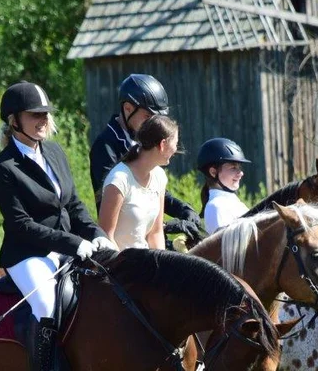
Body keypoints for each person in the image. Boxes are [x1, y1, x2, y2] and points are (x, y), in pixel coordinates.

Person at [0, 81, 113, 371]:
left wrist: (98, 234)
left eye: (45, 114)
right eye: (35, 115)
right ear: (14, 120)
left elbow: (74, 205)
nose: (43, 120)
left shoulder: (55, 153)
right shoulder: (3, 167)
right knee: (46, 302)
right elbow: (21, 224)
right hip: (27, 254)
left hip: (66, 248)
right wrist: (74, 243)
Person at [89, 74, 203, 243]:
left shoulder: (140, 142)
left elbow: (153, 189)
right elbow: (122, 203)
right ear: (128, 109)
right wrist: (165, 226)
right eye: (148, 117)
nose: (154, 124)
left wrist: (183, 210)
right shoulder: (105, 146)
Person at [97, 115, 177, 250]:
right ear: (163, 145)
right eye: (175, 143)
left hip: (145, 262)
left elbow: (156, 233)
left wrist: (161, 267)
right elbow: (106, 236)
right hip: (118, 265)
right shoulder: (119, 180)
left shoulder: (159, 176)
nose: (176, 149)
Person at [197, 138, 251, 233]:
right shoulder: (216, 207)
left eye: (239, 168)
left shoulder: (232, 202)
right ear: (213, 172)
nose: (241, 173)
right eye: (233, 168)